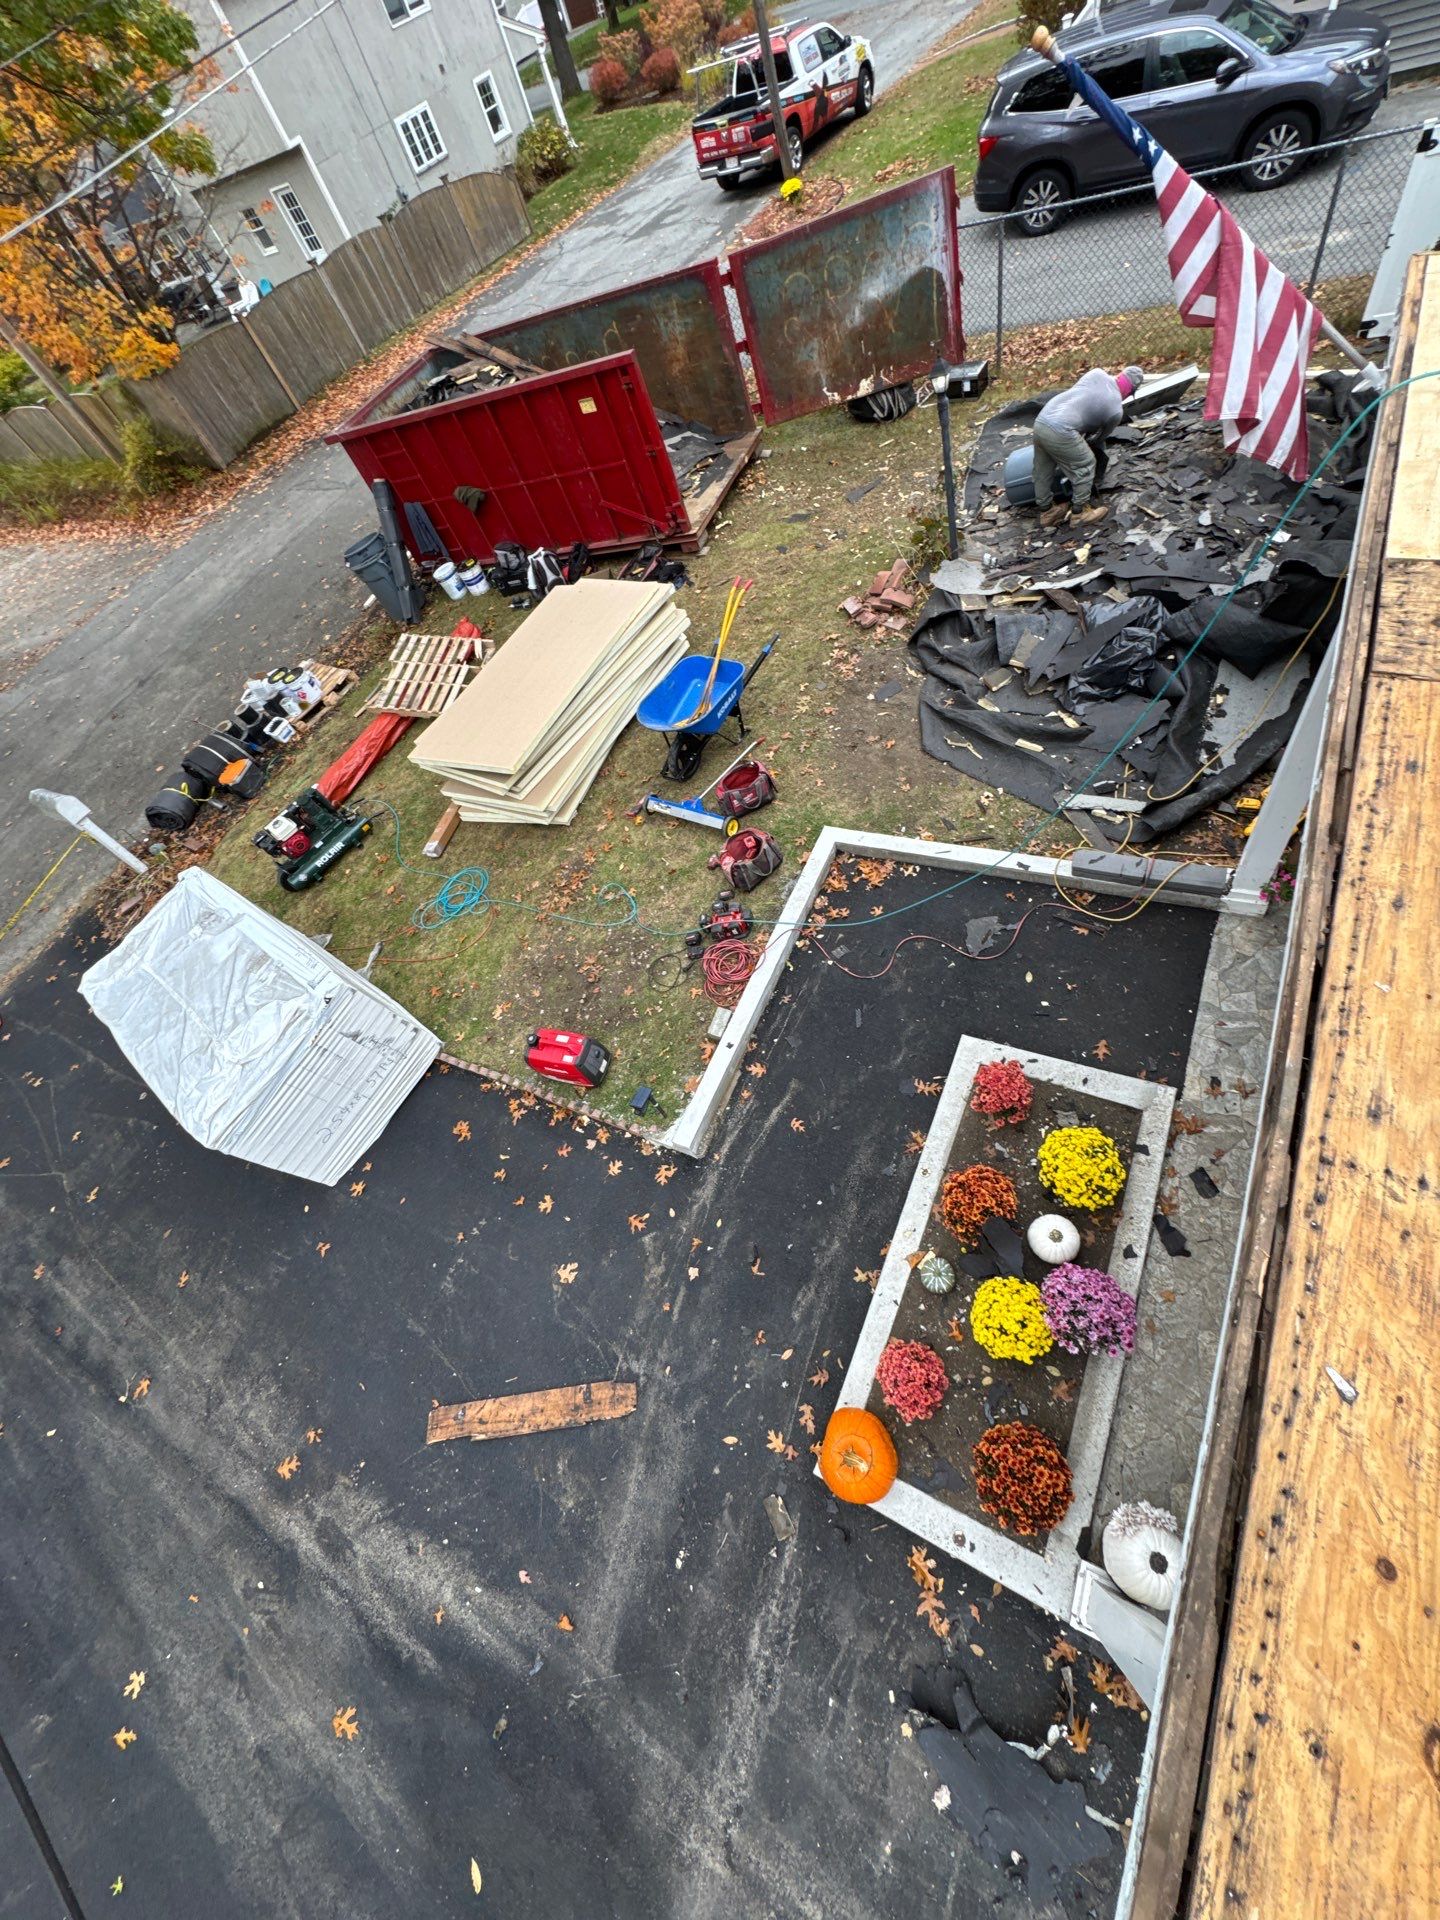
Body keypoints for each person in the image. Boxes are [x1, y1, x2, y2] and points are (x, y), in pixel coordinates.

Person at [1032, 365, 1144, 527]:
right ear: (1129, 392)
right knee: (1086, 463)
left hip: (1043, 419)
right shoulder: (1115, 411)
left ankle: (1046, 510)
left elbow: (1081, 399)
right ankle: (1080, 513)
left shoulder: (1096, 373)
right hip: (1063, 430)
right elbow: (1098, 439)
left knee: (1043, 468)